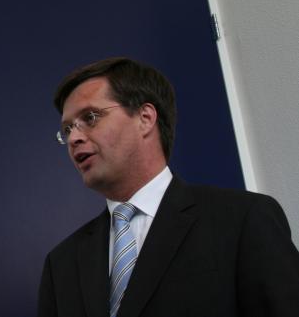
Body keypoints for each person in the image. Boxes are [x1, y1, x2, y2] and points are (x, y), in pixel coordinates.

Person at [38, 57, 299, 317]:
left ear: (145, 117)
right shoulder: (61, 264)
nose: (74, 138)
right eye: (67, 129)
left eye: (90, 117)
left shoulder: (243, 220)